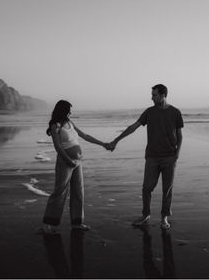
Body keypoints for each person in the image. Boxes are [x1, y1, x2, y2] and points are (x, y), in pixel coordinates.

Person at [107, 84, 183, 229]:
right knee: (147, 187)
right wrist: (116, 140)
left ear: (163, 95)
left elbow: (180, 136)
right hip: (152, 157)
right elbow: (133, 127)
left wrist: (176, 156)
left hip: (169, 157)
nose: (152, 97)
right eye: (152, 95)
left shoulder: (175, 112)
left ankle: (164, 218)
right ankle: (145, 215)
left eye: (154, 95)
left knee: (167, 189)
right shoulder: (149, 112)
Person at [42, 100, 108, 234]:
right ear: (63, 110)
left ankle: (77, 223)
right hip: (65, 162)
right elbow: (58, 147)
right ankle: (47, 224)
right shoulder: (56, 125)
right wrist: (68, 160)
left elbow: (85, 136)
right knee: (60, 192)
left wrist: (103, 144)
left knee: (78, 191)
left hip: (77, 162)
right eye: (69, 110)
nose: (71, 113)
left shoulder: (70, 123)